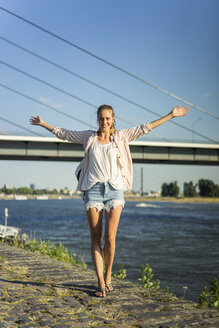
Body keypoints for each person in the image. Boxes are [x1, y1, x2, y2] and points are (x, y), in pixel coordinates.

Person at [29, 104, 189, 297]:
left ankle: (109, 273)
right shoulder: (89, 137)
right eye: (101, 119)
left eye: (107, 119)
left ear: (113, 120)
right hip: (93, 191)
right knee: (95, 238)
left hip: (114, 190)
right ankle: (100, 282)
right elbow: (64, 133)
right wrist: (43, 123)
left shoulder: (121, 136)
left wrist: (171, 115)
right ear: (97, 120)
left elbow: (145, 127)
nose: (104, 122)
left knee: (110, 238)